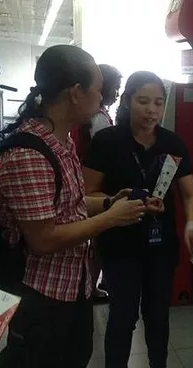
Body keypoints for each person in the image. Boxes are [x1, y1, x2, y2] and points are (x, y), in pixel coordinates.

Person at [0, 45, 146, 368]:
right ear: (76, 93)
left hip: (74, 289)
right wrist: (109, 218)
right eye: (99, 89)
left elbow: (70, 205)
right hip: (41, 298)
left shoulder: (60, 143)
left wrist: (108, 202)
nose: (104, 97)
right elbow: (43, 238)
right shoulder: (29, 155)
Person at [83, 71, 193, 368]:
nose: (152, 110)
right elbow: (86, 195)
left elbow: (189, 194)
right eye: (143, 101)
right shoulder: (107, 142)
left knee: (158, 314)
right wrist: (113, 203)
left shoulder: (172, 144)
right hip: (120, 245)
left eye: (159, 103)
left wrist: (191, 223)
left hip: (161, 247)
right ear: (127, 101)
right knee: (123, 316)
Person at [71, 63, 122, 299]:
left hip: (83, 177)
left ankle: (90, 286)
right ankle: (91, 287)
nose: (117, 93)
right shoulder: (100, 119)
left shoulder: (88, 117)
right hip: (97, 185)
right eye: (116, 87)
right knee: (99, 240)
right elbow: (107, 153)